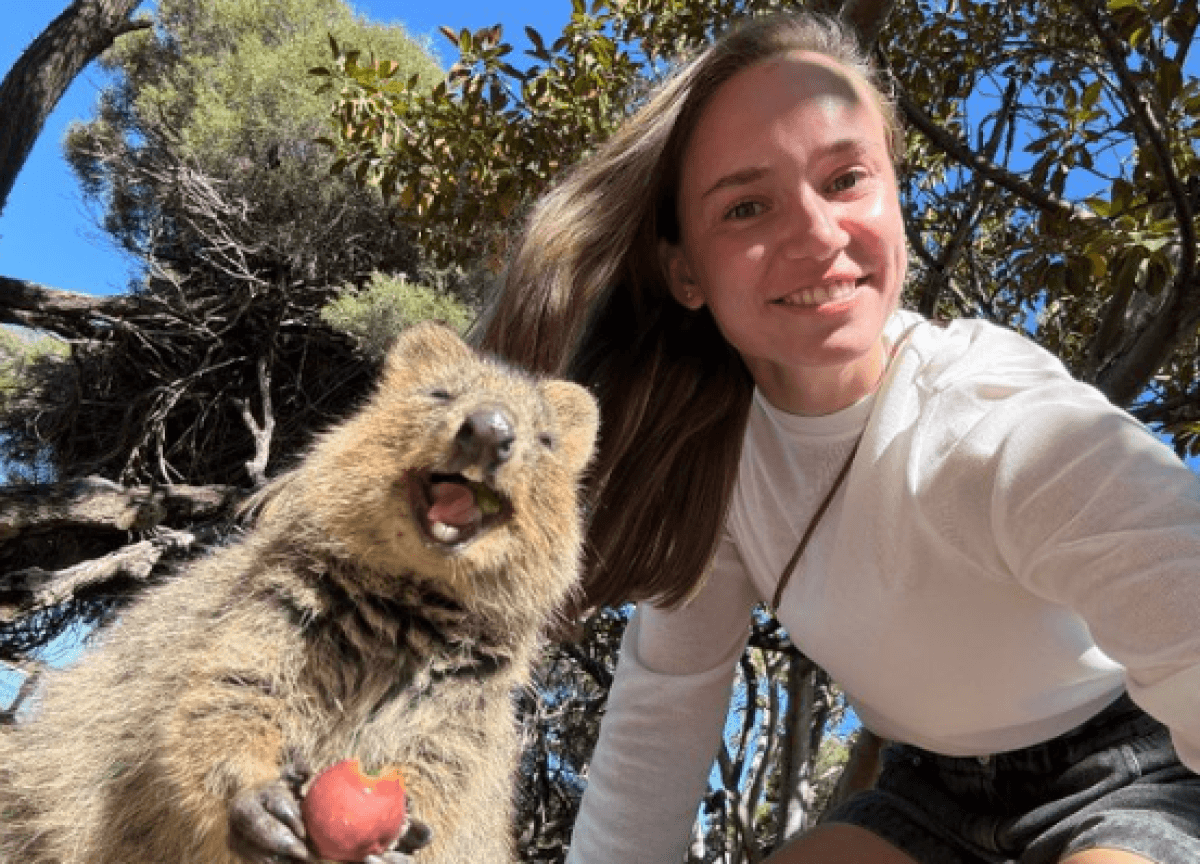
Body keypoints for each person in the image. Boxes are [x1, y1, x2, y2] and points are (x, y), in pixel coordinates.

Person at [475, 11, 1200, 864]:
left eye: (846, 178)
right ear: (685, 272)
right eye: (747, 207)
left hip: (1132, 767)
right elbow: (664, 708)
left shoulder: (999, 420)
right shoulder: (713, 461)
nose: (818, 236)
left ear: (895, 191)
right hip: (929, 793)